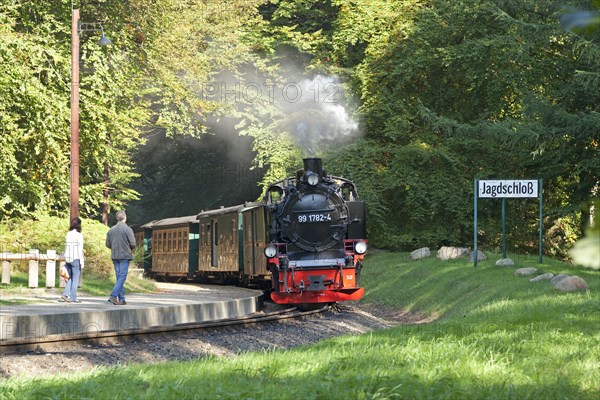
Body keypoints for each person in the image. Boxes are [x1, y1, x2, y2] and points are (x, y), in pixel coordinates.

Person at [105, 210, 136, 305]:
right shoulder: (128, 229)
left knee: (119, 277)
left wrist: (114, 248)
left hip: (114, 256)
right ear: (125, 218)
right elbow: (133, 243)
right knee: (122, 277)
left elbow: (107, 244)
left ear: (116, 218)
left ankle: (122, 299)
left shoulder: (111, 230)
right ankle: (113, 296)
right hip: (124, 256)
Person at [61, 217, 84, 303]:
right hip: (75, 258)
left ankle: (65, 294)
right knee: (75, 279)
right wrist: (82, 262)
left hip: (68, 258)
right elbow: (80, 249)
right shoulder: (79, 235)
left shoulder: (68, 234)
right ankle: (73, 297)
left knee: (71, 278)